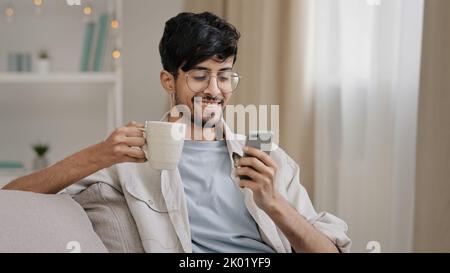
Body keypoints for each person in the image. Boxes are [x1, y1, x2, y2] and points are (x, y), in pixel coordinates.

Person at [3, 12, 350, 253]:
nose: (215, 89)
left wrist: (274, 203)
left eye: (225, 75)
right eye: (200, 75)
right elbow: (12, 198)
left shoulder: (265, 157)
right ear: (168, 80)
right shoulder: (130, 159)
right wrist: (97, 155)